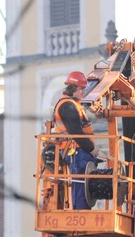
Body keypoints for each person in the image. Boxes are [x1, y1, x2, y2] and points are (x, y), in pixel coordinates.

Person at [53, 70, 100, 210]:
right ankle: (81, 214)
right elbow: (75, 131)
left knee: (85, 185)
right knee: (81, 183)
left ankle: (83, 211)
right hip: (76, 151)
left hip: (79, 151)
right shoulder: (68, 106)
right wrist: (91, 148)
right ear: (72, 89)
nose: (83, 92)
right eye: (81, 89)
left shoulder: (74, 104)